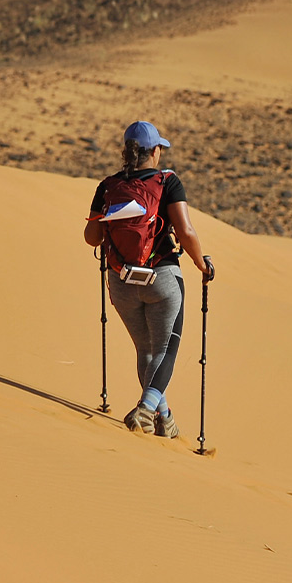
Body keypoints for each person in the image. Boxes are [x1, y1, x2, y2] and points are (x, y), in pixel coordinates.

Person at [81, 120, 215, 436]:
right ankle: (146, 409)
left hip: (121, 281)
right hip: (162, 278)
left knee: (146, 351)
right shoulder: (167, 181)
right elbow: (186, 230)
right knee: (167, 349)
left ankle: (163, 418)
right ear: (154, 152)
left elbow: (91, 237)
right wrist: (202, 265)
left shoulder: (107, 185)